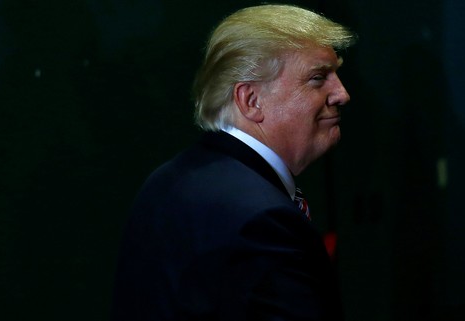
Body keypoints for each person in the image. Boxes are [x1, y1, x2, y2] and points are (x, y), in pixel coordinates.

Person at [110, 4, 356, 320]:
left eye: (337, 73)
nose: (342, 93)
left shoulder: (168, 179)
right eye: (318, 78)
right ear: (251, 101)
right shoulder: (264, 218)